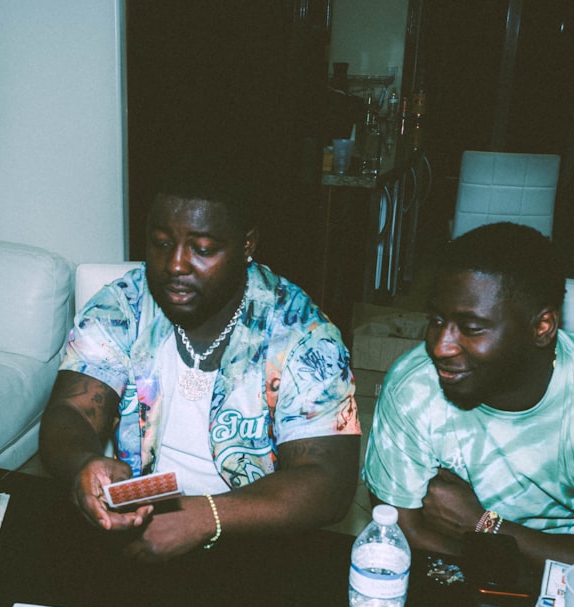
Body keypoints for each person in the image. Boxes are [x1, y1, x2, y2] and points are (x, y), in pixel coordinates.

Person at [38, 157, 361, 562]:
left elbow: (330, 483)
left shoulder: (302, 335)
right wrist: (83, 463)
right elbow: (71, 408)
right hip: (136, 523)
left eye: (202, 248)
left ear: (247, 245)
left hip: (254, 536)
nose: (175, 264)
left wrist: (205, 516)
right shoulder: (122, 306)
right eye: (160, 243)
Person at [362, 222, 574, 575]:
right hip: (466, 572)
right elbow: (401, 530)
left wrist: (485, 525)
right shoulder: (414, 386)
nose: (441, 346)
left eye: (472, 328)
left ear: (542, 327)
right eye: (436, 319)